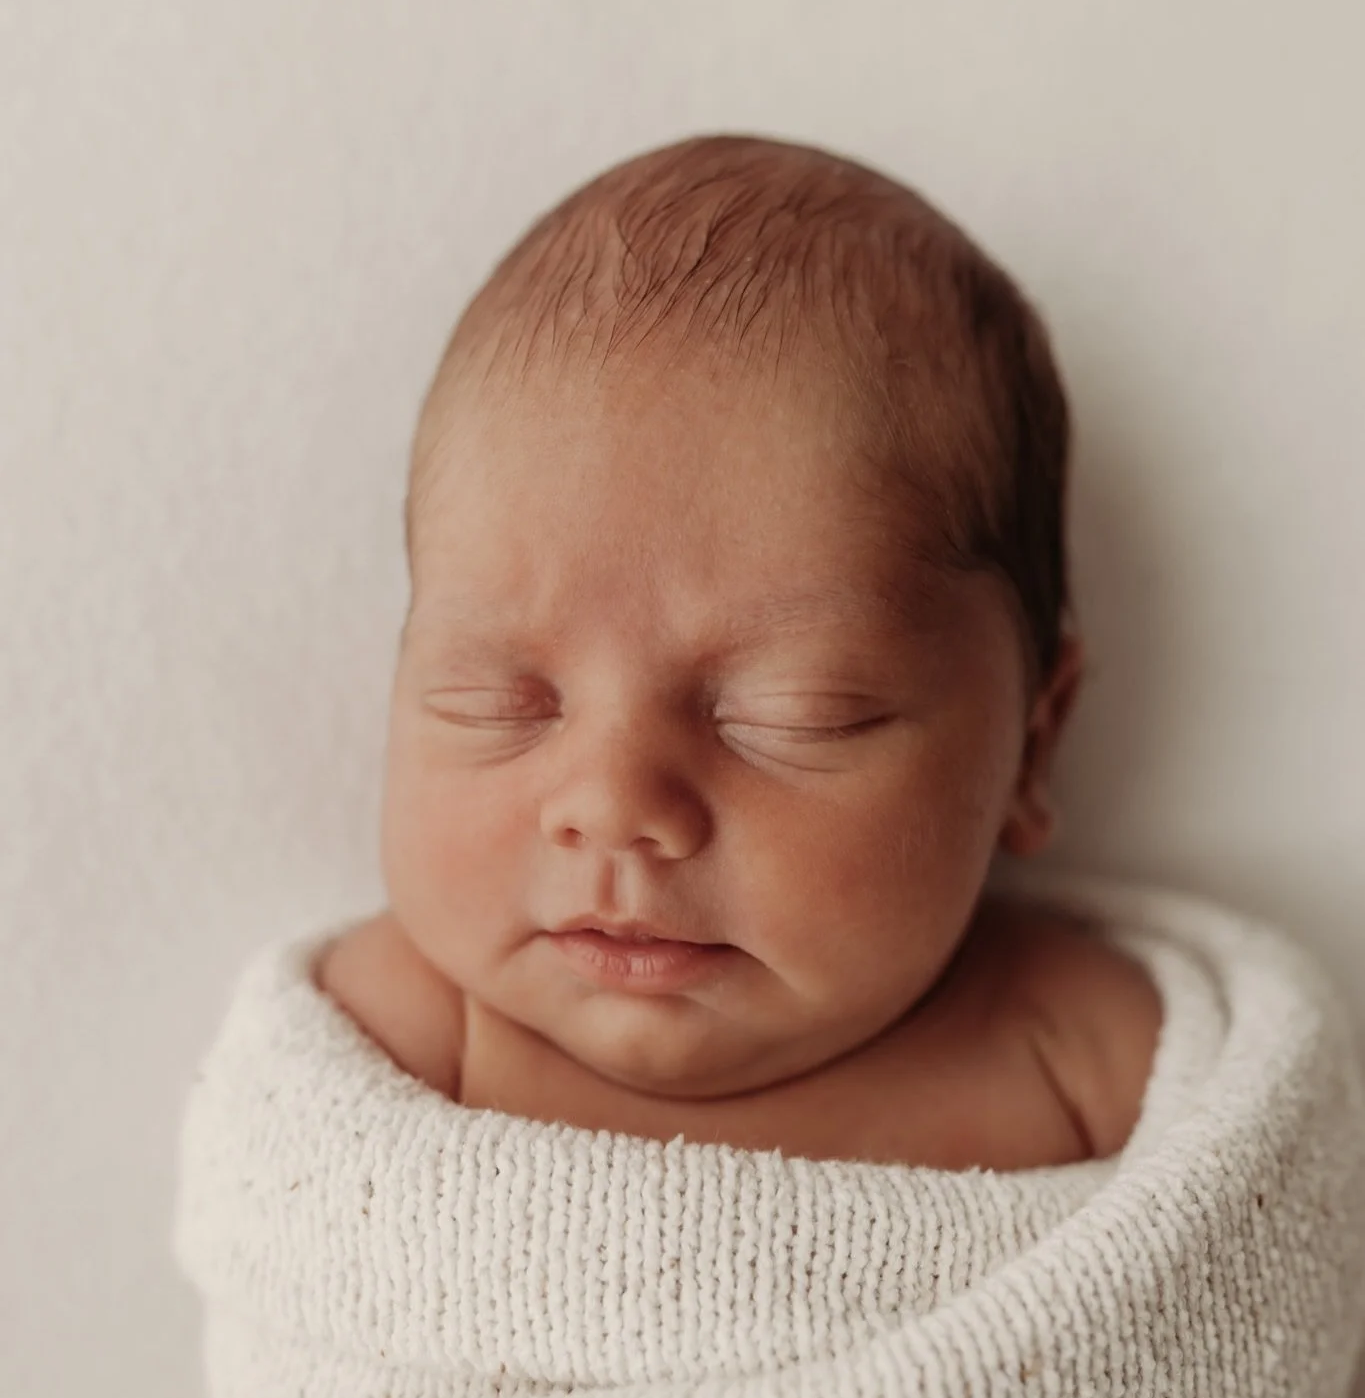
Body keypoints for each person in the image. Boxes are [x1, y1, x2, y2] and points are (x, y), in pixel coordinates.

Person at [316, 132, 1162, 1171]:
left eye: (793, 712)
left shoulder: (1089, 1053)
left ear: (1032, 746)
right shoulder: (397, 1040)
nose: (616, 805)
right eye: (498, 701)